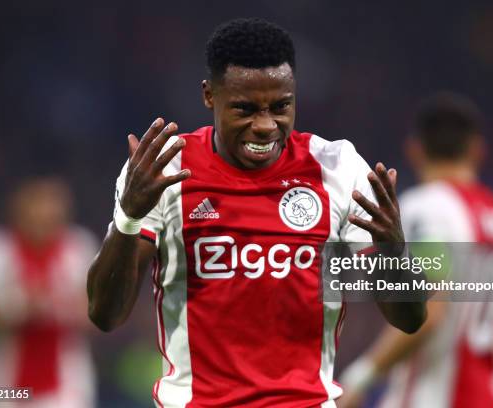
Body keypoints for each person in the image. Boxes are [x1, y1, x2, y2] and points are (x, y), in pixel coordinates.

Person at [87, 18, 426, 407]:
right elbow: (105, 315)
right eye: (245, 109)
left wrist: (394, 253)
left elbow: (410, 319)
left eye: (281, 106)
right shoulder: (164, 168)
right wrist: (128, 218)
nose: (265, 125)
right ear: (209, 95)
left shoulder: (339, 167)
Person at [337, 92, 493, 408]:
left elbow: (431, 309)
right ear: (477, 150)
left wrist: (361, 376)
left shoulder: (428, 211)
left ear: (414, 150)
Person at [0, 177, 98, 408]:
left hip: (68, 388)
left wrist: (58, 306)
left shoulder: (79, 248)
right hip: (3, 386)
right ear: (19, 209)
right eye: (37, 208)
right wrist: (12, 309)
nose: (44, 217)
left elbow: (100, 318)